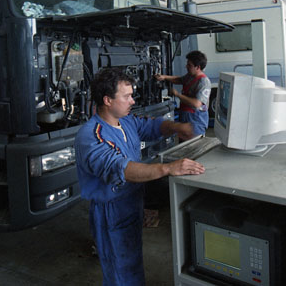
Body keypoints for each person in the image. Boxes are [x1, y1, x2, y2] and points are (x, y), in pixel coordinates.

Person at [74, 68, 205, 286]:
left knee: (132, 263)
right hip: (111, 212)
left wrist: (177, 127)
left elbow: (152, 126)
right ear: (107, 100)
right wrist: (168, 168)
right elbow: (122, 169)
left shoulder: (125, 122)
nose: (132, 101)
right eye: (126, 96)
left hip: (132, 203)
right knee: (120, 271)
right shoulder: (91, 136)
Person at [155, 50, 210, 140]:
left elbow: (197, 103)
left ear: (198, 67)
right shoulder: (190, 76)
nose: (186, 67)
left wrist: (177, 94)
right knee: (183, 144)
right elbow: (179, 80)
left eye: (189, 65)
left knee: (193, 145)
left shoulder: (203, 82)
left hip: (195, 121)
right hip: (185, 117)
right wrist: (164, 77)